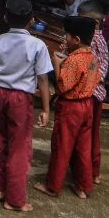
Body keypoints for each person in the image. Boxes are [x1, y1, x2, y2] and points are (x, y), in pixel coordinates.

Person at [0, 0, 52, 211]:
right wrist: (47, 109)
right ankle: (15, 199)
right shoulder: (37, 45)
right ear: (31, 20)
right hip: (21, 98)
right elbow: (42, 79)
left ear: (5, 17)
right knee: (20, 146)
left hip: (0, 93)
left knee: (0, 139)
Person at [35, 16, 102, 199]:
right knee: (83, 147)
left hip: (71, 108)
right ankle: (83, 187)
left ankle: (53, 186)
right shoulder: (92, 58)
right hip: (88, 104)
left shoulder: (74, 60)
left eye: (68, 36)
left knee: (62, 146)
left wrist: (57, 65)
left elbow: (63, 87)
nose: (65, 39)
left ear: (77, 40)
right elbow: (96, 79)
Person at [77, 0, 109, 185]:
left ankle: (87, 175)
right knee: (92, 135)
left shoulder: (94, 40)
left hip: (90, 94)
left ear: (96, 23)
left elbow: (95, 70)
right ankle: (93, 172)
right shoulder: (95, 37)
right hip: (94, 92)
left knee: (86, 136)